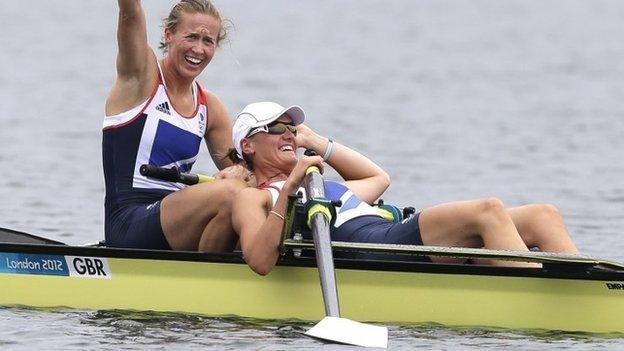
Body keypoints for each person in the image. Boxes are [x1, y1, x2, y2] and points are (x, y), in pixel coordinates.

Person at [229, 102, 579, 275]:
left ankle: (589, 291)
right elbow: (259, 262)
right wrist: (291, 184)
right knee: (488, 209)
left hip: (392, 234)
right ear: (248, 146)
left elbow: (379, 178)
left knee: (543, 215)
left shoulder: (324, 185)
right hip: (377, 251)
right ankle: (538, 298)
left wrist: (317, 142)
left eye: (293, 128)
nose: (289, 134)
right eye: (276, 128)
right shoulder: (255, 197)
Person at [103, 0, 249, 252]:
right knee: (231, 194)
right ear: (168, 35)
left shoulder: (209, 106)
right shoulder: (140, 76)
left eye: (208, 41)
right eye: (191, 37)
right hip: (128, 223)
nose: (198, 49)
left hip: (176, 221)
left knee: (250, 198)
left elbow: (246, 170)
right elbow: (130, 13)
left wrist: (243, 171)